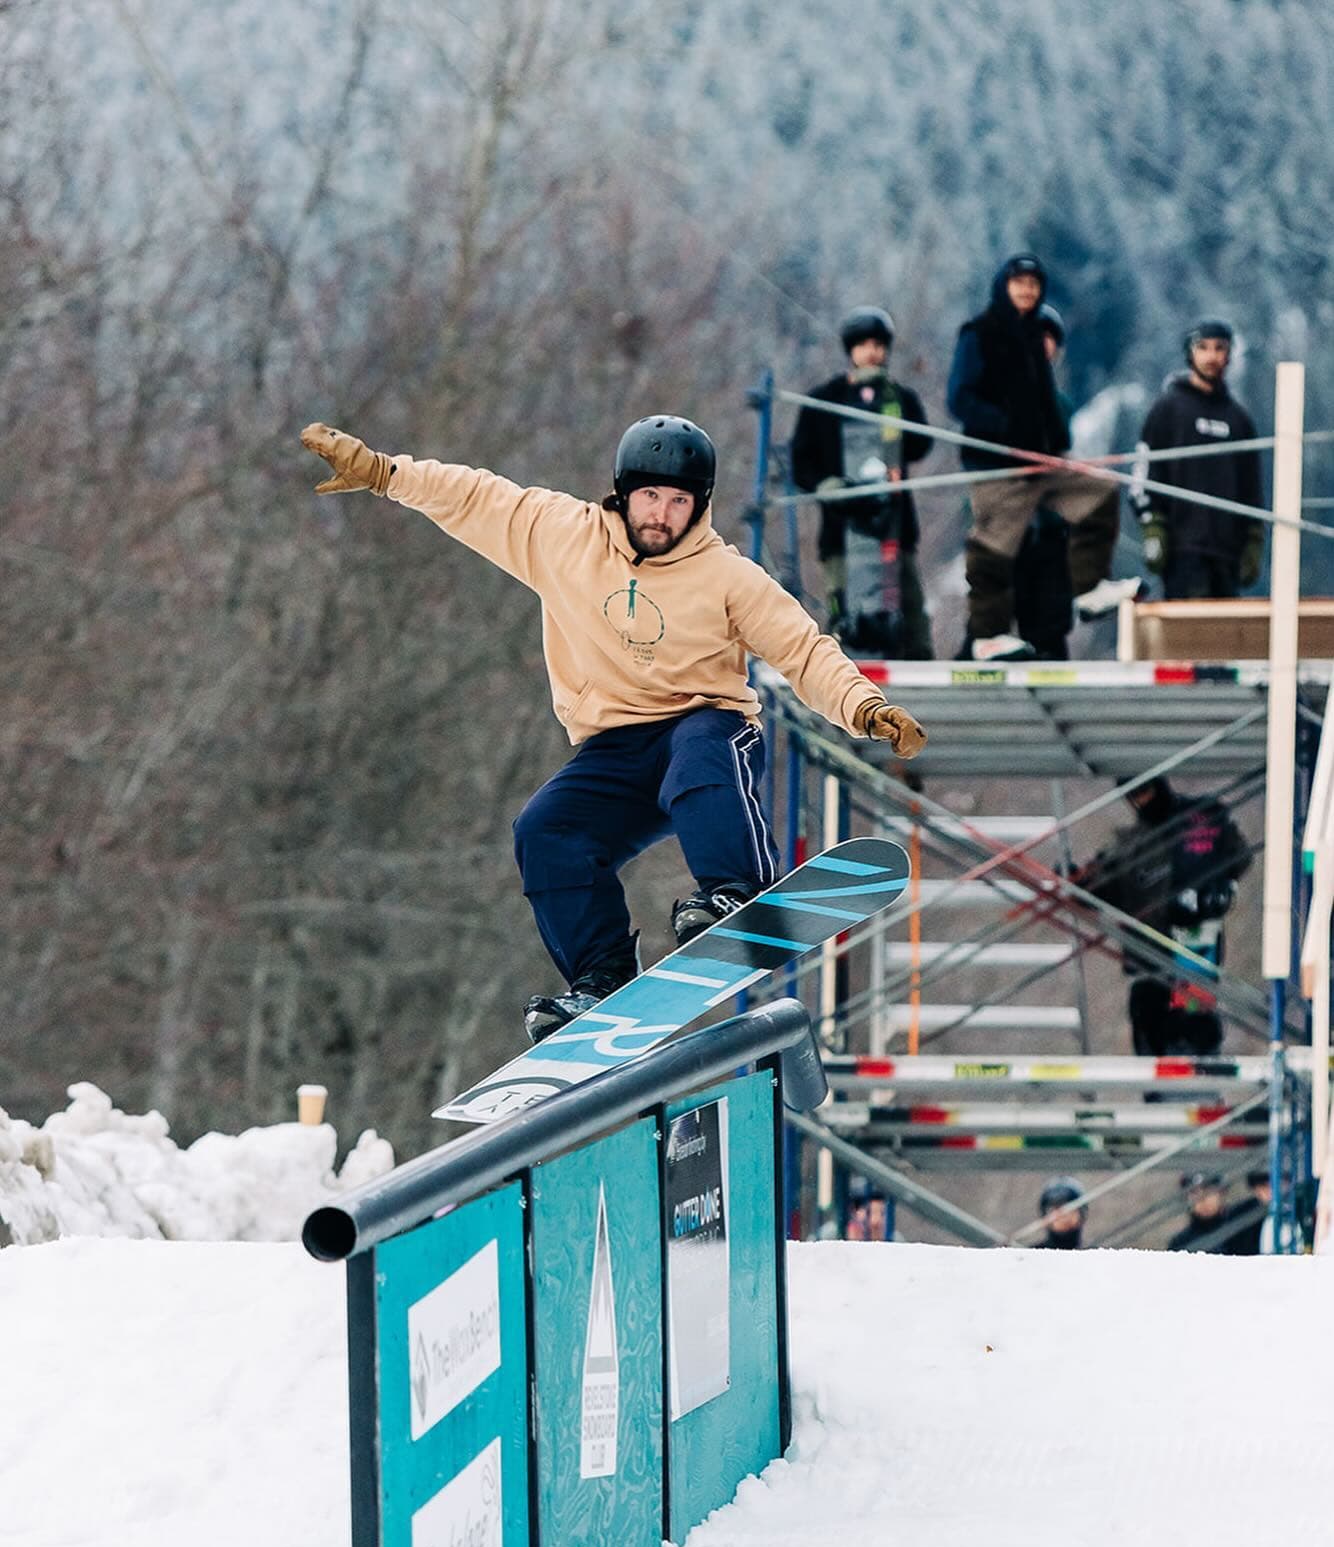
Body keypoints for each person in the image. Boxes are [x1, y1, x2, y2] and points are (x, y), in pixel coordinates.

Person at [300, 415, 927, 1040]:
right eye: (650, 497)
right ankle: (601, 981)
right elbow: (474, 497)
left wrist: (864, 707)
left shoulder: (728, 576)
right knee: (546, 831)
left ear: (699, 507)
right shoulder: (562, 535)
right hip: (615, 751)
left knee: (697, 760)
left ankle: (736, 891)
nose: (661, 514)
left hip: (707, 726)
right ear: (623, 493)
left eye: (679, 501)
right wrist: (385, 473)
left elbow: (804, 651)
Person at [947, 253, 1138, 660]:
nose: (1027, 292)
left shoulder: (1034, 338)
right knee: (994, 549)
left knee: (1099, 493)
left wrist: (1056, 443)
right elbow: (959, 398)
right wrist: (1003, 428)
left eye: (1034, 286)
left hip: (1043, 463)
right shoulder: (979, 333)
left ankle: (1090, 588)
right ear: (1004, 286)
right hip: (998, 462)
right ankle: (987, 634)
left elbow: (1044, 403)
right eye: (1020, 284)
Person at [790, 306, 935, 658]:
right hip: (841, 531)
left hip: (893, 530)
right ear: (850, 349)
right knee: (845, 620)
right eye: (864, 344)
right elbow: (801, 461)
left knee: (910, 619)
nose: (872, 352)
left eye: (879, 344)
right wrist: (827, 486)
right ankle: (834, 694)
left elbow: (920, 445)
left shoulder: (898, 397)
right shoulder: (825, 399)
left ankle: (919, 695)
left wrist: (891, 402)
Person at [1080, 773, 1251, 1056]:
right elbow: (1100, 892)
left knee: (1198, 1043)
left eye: (1146, 791)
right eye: (1135, 795)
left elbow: (1239, 857)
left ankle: (1201, 1091)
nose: (1143, 800)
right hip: (1148, 965)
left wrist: (1216, 888)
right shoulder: (1128, 846)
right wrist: (1080, 886)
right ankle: (1162, 1095)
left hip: (1195, 962)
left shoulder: (1199, 822)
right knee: (1152, 1045)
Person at [1132, 320, 1264, 599]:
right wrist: (1153, 527)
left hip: (1228, 555)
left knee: (1226, 638)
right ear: (1190, 354)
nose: (1211, 356)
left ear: (1229, 355)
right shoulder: (1167, 408)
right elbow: (1142, 476)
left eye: (1219, 348)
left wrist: (1253, 541)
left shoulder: (1239, 420)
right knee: (1187, 637)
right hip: (1182, 551)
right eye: (1203, 348)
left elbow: (1252, 490)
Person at [1013, 304, 1076, 659]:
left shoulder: (1061, 404)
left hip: (1049, 525)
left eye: (1049, 338)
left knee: (1051, 622)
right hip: (1011, 519)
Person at [1168, 1171, 1230, 1251]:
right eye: (1195, 1193)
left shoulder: (1239, 1231)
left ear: (1221, 1194)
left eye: (1208, 1192)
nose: (1202, 1199)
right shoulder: (1180, 1243)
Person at [1038, 1174, 1086, 1249]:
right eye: (1056, 1208)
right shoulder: (1030, 1256)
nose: (1063, 1214)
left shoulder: (1095, 1256)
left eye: (1069, 1208)